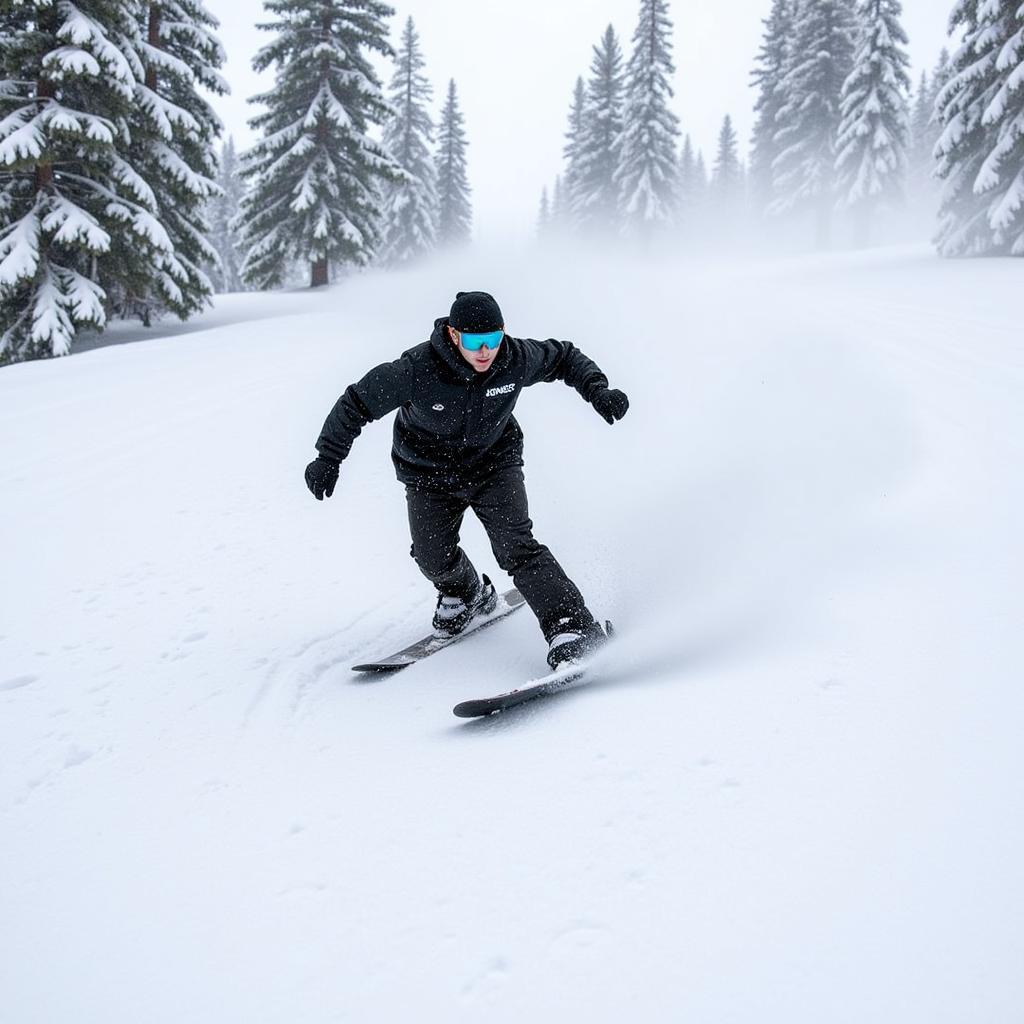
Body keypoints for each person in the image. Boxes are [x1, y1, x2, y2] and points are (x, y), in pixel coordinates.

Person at [305, 290, 629, 670]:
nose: (485, 351)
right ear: (454, 335)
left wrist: (598, 391)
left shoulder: (515, 358)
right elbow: (356, 402)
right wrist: (328, 456)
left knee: (515, 545)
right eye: (475, 342)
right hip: (429, 474)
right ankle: (466, 594)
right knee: (431, 557)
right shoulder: (416, 369)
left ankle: (571, 626)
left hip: (494, 465)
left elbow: (564, 357)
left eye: (493, 340)